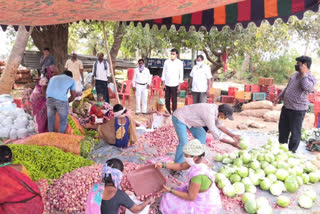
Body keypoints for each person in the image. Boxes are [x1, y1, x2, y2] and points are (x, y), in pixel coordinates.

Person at [156, 139, 222, 214]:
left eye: (186, 156)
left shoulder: (197, 176)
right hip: (200, 190)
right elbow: (181, 166)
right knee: (174, 193)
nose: (185, 157)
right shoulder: (200, 160)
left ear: (195, 157)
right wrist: (163, 165)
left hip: (203, 202)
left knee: (168, 199)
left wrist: (170, 190)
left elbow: (191, 197)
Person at [172, 103, 240, 163]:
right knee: (184, 142)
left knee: (202, 135)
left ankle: (197, 158)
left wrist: (233, 136)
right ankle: (177, 164)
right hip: (180, 118)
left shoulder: (216, 112)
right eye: (226, 117)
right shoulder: (209, 113)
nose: (225, 119)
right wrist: (232, 143)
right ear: (222, 113)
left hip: (191, 120)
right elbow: (216, 134)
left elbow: (220, 125)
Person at [275, 56, 316, 152]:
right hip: (286, 107)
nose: (296, 65)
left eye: (298, 64)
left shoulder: (311, 78)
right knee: (283, 130)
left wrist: (304, 74)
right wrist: (280, 96)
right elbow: (288, 87)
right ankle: (282, 149)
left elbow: (307, 88)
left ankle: (291, 151)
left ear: (305, 65)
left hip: (298, 110)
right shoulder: (294, 75)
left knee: (295, 132)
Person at [86, 158, 154, 214]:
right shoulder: (120, 195)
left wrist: (123, 193)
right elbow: (136, 209)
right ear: (118, 176)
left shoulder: (95, 188)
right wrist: (148, 201)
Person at [0, 145, 43, 214]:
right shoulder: (20, 167)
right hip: (35, 205)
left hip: (16, 209)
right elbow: (29, 183)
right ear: (11, 157)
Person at [30, 65, 59, 133]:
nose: (55, 75)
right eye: (54, 73)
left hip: (44, 97)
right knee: (41, 114)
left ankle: (46, 129)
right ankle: (40, 131)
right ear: (49, 72)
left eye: (56, 73)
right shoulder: (44, 80)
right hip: (38, 99)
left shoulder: (51, 79)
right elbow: (44, 94)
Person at [161, 48, 184, 114]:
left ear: (177, 54)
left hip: (175, 84)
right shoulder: (166, 62)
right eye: (171, 54)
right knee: (167, 99)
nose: (172, 55)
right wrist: (163, 83)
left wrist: (179, 85)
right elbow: (164, 72)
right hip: (167, 83)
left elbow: (181, 74)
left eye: (173, 54)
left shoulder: (179, 63)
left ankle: (174, 112)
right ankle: (168, 112)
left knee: (174, 99)